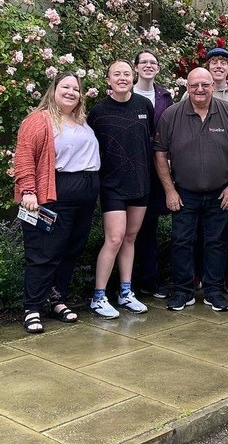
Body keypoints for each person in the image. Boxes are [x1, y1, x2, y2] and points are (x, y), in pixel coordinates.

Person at [154, 67, 228, 313]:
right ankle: (183, 291)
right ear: (187, 87)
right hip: (184, 193)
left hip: (221, 194)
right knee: (181, 242)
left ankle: (214, 291)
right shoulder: (172, 115)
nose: (199, 90)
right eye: (194, 85)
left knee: (216, 243)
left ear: (212, 86)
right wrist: (169, 191)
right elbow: (160, 153)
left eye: (205, 85)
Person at [14, 72, 100, 333]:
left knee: (71, 250)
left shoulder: (81, 121)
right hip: (55, 194)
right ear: (53, 90)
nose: (71, 92)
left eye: (76, 88)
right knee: (44, 253)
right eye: (66, 87)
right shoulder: (39, 120)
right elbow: (24, 155)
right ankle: (32, 308)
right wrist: (28, 190)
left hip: (84, 197)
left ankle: (56, 299)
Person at [87, 60, 154, 319]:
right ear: (109, 80)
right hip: (112, 186)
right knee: (114, 239)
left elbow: (149, 141)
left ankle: (126, 293)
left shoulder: (144, 106)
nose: (123, 78)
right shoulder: (98, 111)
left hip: (140, 184)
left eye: (127, 73)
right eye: (117, 74)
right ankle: (98, 296)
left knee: (130, 238)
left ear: (133, 76)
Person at [189, 47, 228, 296]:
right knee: (195, 232)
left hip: (226, 176)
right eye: (213, 62)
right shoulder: (192, 92)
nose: (218, 66)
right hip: (197, 175)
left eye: (223, 63)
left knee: (223, 231)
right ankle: (196, 274)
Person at [132, 49, 173, 298]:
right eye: (143, 62)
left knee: (149, 226)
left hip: (156, 168)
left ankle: (148, 280)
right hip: (130, 168)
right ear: (136, 67)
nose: (148, 66)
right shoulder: (124, 93)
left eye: (153, 62)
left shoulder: (165, 97)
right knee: (125, 228)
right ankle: (126, 282)